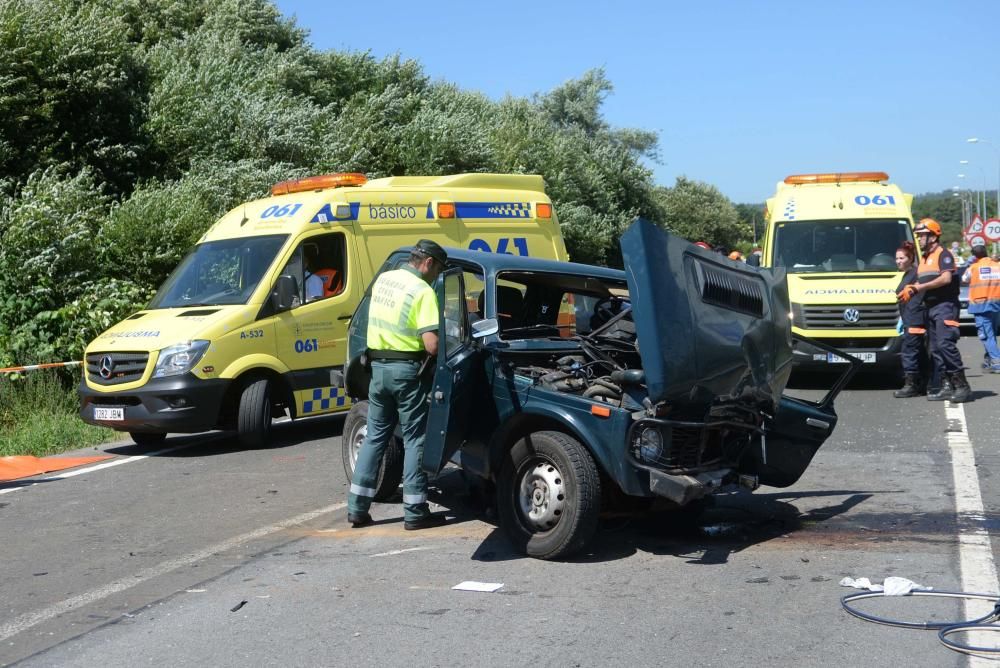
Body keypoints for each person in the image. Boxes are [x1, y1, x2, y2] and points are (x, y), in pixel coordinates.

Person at [347, 239, 448, 530]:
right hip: (407, 373)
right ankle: (415, 511)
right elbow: (431, 346)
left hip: (377, 371)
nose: (438, 276)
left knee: (375, 437)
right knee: (415, 438)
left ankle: (356, 508)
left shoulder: (385, 280)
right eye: (438, 270)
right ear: (428, 263)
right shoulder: (422, 291)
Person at [898, 219, 971, 402]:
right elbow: (922, 282)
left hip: (945, 305)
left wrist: (918, 288)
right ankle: (947, 386)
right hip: (930, 308)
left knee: (946, 344)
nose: (919, 239)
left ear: (932, 236)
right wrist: (910, 287)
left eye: (922, 235)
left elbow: (945, 279)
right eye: (919, 236)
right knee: (936, 348)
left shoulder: (943, 254)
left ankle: (962, 385)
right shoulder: (923, 259)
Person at [892, 241, 930, 397]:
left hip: (914, 319)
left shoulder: (916, 273)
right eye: (897, 258)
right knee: (918, 352)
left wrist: (909, 320)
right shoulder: (908, 274)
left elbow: (918, 297)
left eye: (902, 258)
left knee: (910, 352)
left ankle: (911, 385)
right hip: (909, 318)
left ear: (911, 258)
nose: (898, 261)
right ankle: (922, 384)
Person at [965, 242, 1000, 372]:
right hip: (996, 305)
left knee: (986, 335)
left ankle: (997, 363)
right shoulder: (998, 266)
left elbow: (964, 279)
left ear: (975, 256)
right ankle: (989, 360)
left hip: (980, 306)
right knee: (991, 334)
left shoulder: (973, 267)